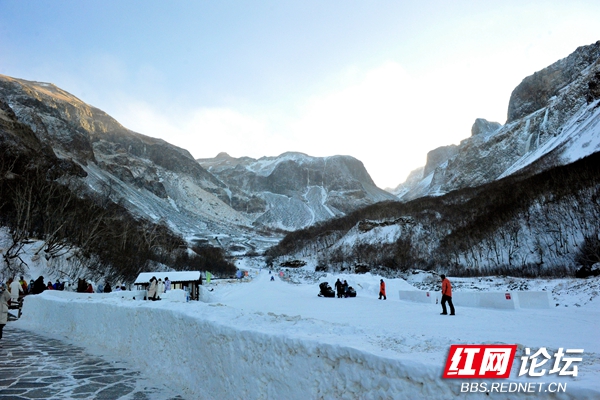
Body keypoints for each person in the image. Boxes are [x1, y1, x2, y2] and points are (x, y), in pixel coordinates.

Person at [1, 282, 10, 347]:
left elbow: (9, 297)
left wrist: (4, 290)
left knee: (0, 326)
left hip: (2, 312)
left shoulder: (4, 293)